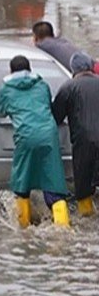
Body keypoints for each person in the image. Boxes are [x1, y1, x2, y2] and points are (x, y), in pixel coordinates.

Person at [0, 55, 70, 228]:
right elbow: (47, 106)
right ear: (30, 69)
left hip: (26, 136)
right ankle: (63, 230)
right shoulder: (42, 85)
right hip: (49, 135)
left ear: (11, 71)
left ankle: (23, 230)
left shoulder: (7, 90)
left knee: (22, 182)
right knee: (53, 181)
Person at [52, 52, 99, 217]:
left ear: (73, 69)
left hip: (83, 142)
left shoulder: (68, 87)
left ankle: (87, 220)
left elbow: (56, 116)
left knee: (83, 187)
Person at [32, 20, 99, 73]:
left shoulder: (43, 45)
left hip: (90, 71)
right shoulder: (63, 41)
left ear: (36, 37)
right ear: (53, 34)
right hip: (95, 66)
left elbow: (35, 47)